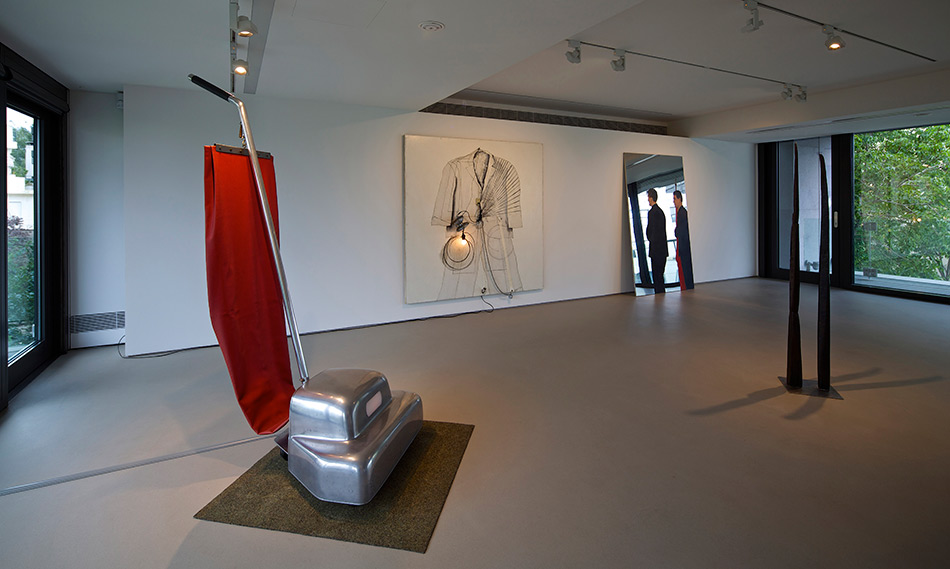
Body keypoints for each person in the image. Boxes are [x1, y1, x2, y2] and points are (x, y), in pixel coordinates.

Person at [645, 188, 668, 294]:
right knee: (660, 277)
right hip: (663, 250)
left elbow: (650, 231)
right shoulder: (661, 212)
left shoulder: (652, 213)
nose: (647, 200)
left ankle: (659, 300)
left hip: (655, 251)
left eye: (648, 197)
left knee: (656, 278)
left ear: (651, 198)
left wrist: (650, 238)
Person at [673, 189, 694, 290]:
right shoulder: (681, 212)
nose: (673, 201)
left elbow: (680, 231)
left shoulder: (682, 213)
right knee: (686, 273)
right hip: (685, 248)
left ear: (679, 199)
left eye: (674, 199)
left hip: (684, 249)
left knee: (687, 273)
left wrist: (676, 231)